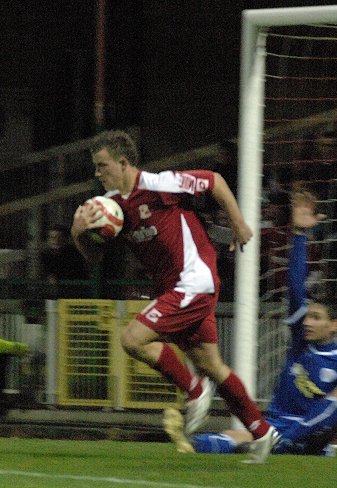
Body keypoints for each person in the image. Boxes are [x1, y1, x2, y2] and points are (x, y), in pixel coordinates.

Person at [71, 129, 279, 463]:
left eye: (102, 165)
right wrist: (78, 233)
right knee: (210, 363)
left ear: (123, 163)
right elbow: (94, 259)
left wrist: (239, 223)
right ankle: (262, 431)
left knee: (132, 338)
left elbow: (213, 181)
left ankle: (194, 391)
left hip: (193, 281)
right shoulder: (115, 207)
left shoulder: (160, 184)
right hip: (177, 288)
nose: (97, 173)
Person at [164, 191, 337, 459]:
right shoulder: (300, 340)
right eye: (309, 315)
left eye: (317, 317)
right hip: (276, 423)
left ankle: (278, 443)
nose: (308, 321)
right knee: (236, 436)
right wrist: (299, 235)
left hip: (310, 439)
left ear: (335, 326)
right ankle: (191, 444)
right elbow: (296, 290)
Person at [40, 224, 88, 298]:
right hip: (57, 292)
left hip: (76, 292)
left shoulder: (73, 253)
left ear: (65, 239)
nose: (56, 240)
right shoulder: (46, 255)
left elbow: (72, 272)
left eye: (59, 237)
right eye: (52, 237)